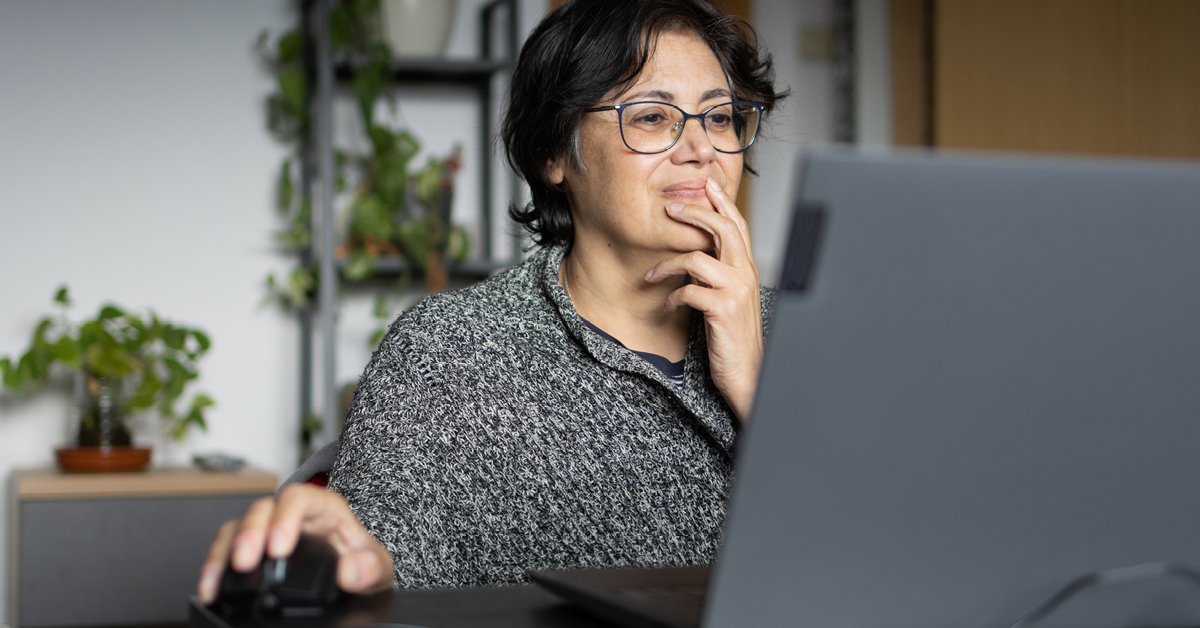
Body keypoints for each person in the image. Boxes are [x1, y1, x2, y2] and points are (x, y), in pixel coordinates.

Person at [197, 0, 785, 602]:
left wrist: (758, 389)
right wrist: (334, 563)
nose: (702, 149)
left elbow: (849, 560)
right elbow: (380, 575)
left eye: (720, 117)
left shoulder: (803, 332)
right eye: (654, 116)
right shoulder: (450, 352)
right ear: (554, 153)